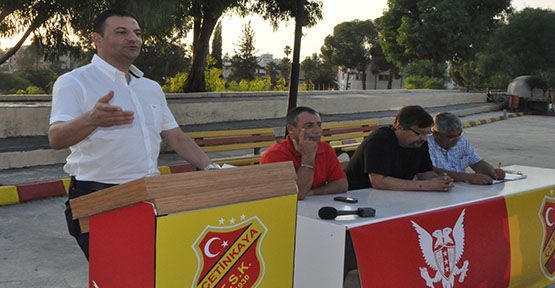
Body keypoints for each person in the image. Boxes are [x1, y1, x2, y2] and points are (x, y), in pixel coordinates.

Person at [48, 9, 215, 259]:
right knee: (117, 276)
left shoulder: (150, 88)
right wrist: (91, 119)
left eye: (137, 33)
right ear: (97, 39)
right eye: (121, 32)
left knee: (156, 273)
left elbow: (176, 137)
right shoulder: (74, 82)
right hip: (99, 196)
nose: (133, 38)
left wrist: (211, 168)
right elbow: (56, 138)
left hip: (151, 195)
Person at [346, 105, 454, 192]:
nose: (425, 139)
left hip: (392, 197)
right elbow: (378, 182)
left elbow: (424, 173)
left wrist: (440, 181)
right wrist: (425, 185)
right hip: (359, 195)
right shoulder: (379, 140)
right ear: (400, 127)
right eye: (420, 133)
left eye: (427, 133)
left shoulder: (419, 143)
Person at [259, 106, 348, 200]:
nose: (317, 131)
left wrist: (312, 193)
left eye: (319, 125)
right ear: (291, 129)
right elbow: (297, 194)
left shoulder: (325, 148)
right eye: (309, 126)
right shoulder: (275, 155)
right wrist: (308, 157)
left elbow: (341, 184)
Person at [428, 112, 505, 184]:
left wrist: (492, 172)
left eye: (459, 134)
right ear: (436, 133)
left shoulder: (462, 140)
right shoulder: (427, 144)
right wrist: (467, 177)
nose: (457, 139)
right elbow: (431, 171)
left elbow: (476, 162)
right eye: (451, 137)